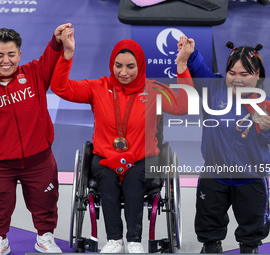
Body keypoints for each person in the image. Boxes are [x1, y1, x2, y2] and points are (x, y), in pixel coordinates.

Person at [50, 27, 193, 253]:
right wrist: (67, 53)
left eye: (130, 66)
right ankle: (114, 240)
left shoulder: (154, 90)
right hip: (105, 158)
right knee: (106, 178)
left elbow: (185, 105)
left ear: (140, 66)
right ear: (111, 65)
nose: (123, 72)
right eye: (118, 66)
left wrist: (182, 65)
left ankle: (134, 240)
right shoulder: (97, 88)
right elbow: (60, 88)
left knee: (134, 177)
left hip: (142, 158)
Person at [0, 24, 72, 254]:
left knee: (45, 202)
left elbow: (52, 54)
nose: (5, 60)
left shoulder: (35, 73)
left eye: (11, 54)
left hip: (38, 160)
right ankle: (0, 240)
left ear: (19, 54)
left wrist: (58, 40)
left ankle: (44, 237)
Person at [176, 36, 270, 254]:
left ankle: (249, 248)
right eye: (232, 73)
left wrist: (268, 126)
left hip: (251, 177)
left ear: (256, 75)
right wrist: (190, 52)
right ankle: (211, 247)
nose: (237, 79)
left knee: (252, 227)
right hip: (214, 174)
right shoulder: (214, 89)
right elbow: (197, 67)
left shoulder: (269, 104)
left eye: (244, 74)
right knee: (208, 222)